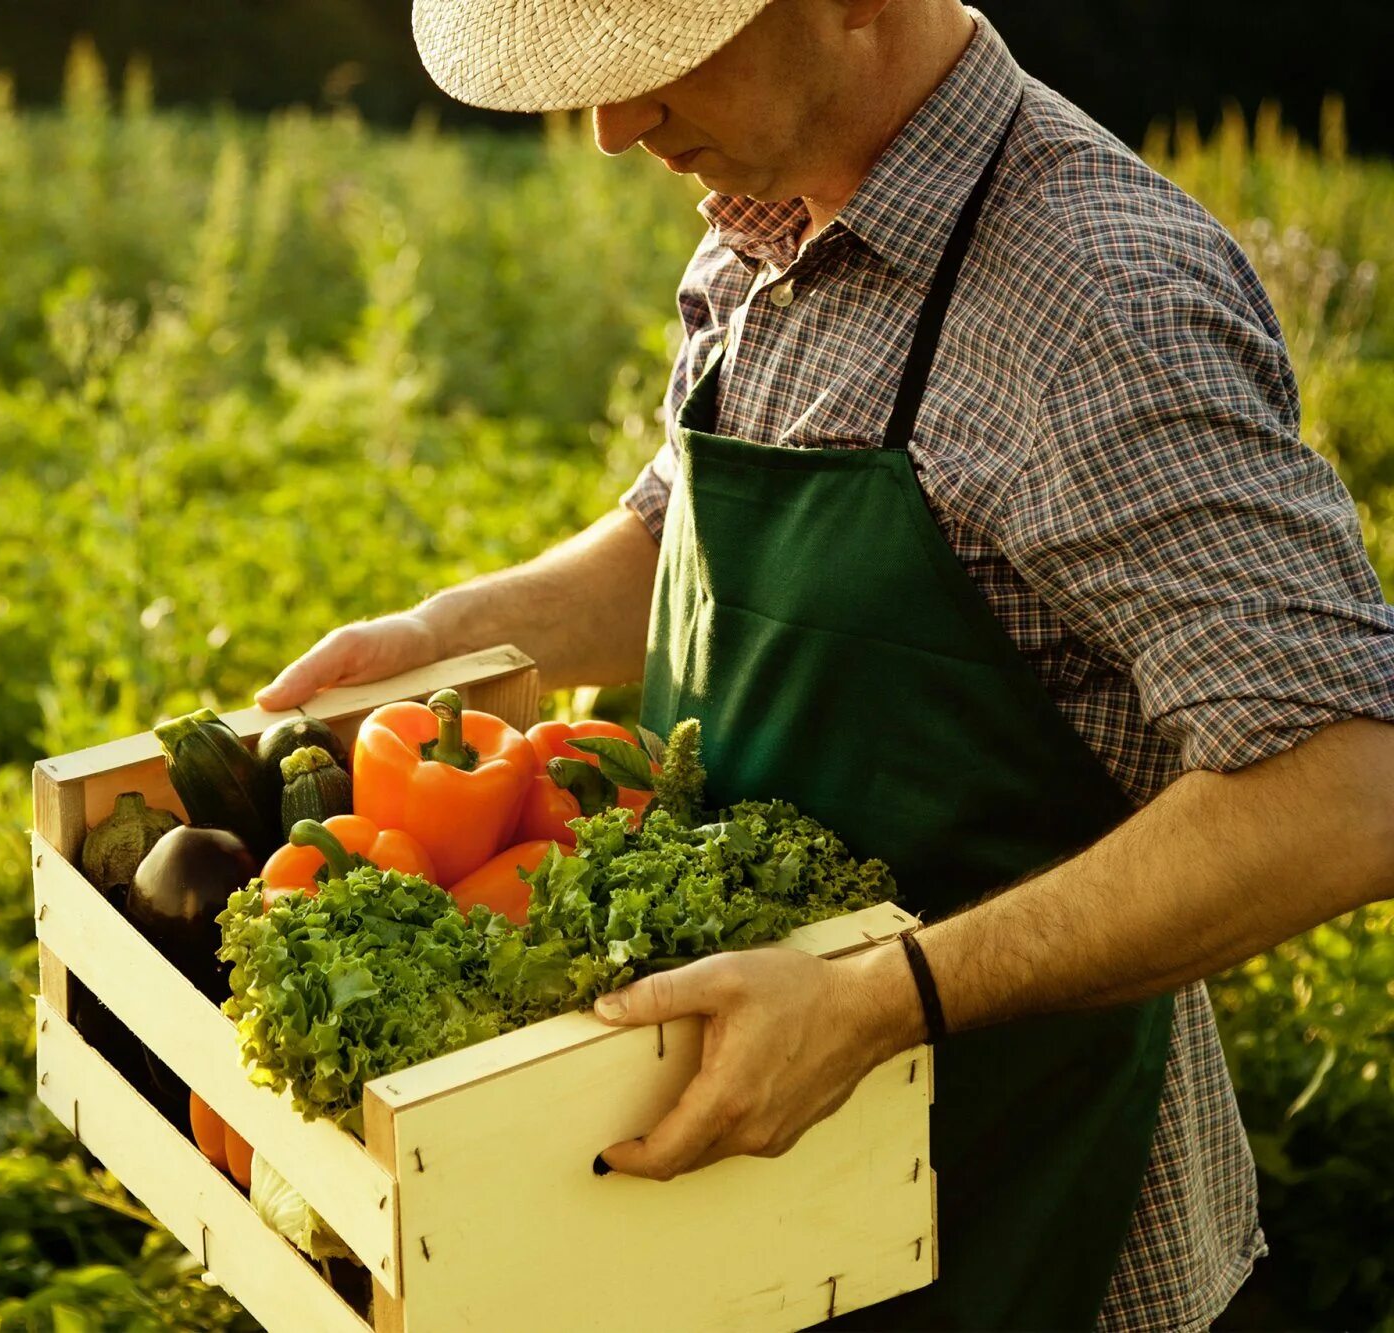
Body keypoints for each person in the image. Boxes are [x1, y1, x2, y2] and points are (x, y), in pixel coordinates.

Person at [254, 0, 1394, 1327]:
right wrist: (451, 633)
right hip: (756, 1205)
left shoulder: (1094, 298)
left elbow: (1347, 785)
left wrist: (879, 999)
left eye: (656, 61)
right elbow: (687, 531)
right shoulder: (773, 222)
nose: (612, 130)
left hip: (1022, 1209)